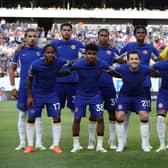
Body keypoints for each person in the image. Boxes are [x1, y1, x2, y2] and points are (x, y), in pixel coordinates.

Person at [24, 44, 72, 154]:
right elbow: (29, 79)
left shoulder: (59, 61)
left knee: (56, 116)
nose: (50, 54)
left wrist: (81, 59)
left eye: (52, 52)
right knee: (31, 117)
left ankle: (56, 145)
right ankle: (30, 145)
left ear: (55, 53)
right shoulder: (35, 65)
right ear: (44, 53)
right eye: (48, 52)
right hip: (37, 95)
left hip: (52, 94)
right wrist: (30, 96)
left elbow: (71, 63)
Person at [119, 25, 160, 149]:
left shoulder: (150, 47)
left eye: (143, 32)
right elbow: (120, 59)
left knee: (145, 114)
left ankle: (146, 143)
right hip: (130, 84)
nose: (141, 34)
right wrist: (128, 66)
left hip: (145, 85)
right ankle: (123, 142)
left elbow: (157, 60)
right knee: (124, 115)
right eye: (138, 32)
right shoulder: (128, 46)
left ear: (145, 34)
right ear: (135, 34)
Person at [69, 43, 114, 153]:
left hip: (95, 95)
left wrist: (124, 75)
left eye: (94, 54)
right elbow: (67, 70)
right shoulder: (78, 65)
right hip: (81, 96)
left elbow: (112, 71)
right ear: (85, 54)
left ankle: (99, 145)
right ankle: (76, 144)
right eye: (89, 53)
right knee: (77, 119)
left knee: (100, 118)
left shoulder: (101, 64)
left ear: (96, 55)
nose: (91, 56)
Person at [9, 28, 45, 150]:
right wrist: (13, 87)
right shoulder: (19, 51)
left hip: (38, 87)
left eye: (34, 36)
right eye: (30, 36)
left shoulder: (41, 52)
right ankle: (22, 143)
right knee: (22, 115)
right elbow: (12, 69)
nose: (32, 38)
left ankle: (39, 143)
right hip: (24, 87)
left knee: (38, 115)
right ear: (25, 37)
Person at [49, 23, 84, 149]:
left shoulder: (78, 45)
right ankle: (55, 143)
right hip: (58, 83)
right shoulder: (54, 44)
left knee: (76, 112)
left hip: (75, 82)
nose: (66, 32)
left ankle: (76, 143)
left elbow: (86, 58)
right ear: (60, 31)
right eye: (64, 30)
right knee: (56, 112)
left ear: (72, 31)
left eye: (69, 30)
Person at [87, 29, 119, 150]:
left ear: (109, 37)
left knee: (112, 113)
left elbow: (121, 60)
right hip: (95, 87)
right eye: (102, 35)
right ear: (98, 36)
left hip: (109, 86)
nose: (104, 38)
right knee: (94, 114)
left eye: (106, 36)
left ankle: (112, 140)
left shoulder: (113, 50)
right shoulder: (93, 50)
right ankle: (91, 140)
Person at [114, 51, 151, 152]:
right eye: (132, 59)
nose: (134, 61)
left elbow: (156, 72)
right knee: (120, 116)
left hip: (140, 96)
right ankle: (121, 144)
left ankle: (145, 144)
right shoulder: (121, 68)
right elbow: (111, 70)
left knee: (144, 115)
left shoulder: (145, 69)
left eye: (136, 59)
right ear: (128, 61)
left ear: (139, 60)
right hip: (124, 96)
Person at [151, 51, 168, 152]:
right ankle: (162, 144)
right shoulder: (161, 65)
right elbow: (151, 68)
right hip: (164, 92)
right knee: (160, 117)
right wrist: (156, 74)